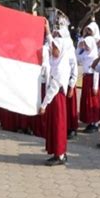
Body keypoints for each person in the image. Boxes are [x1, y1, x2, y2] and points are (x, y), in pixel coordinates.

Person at [39, 37, 70, 166]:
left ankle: (60, 154)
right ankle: (57, 152)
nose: (53, 50)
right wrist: (47, 31)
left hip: (56, 99)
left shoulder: (60, 66)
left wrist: (44, 105)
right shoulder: (56, 61)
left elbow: (53, 88)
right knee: (55, 125)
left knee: (58, 126)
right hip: (55, 100)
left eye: (56, 48)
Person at [77, 36, 100, 133]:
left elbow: (96, 72)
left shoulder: (94, 56)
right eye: (85, 44)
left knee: (93, 101)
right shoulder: (85, 54)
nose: (86, 46)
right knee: (87, 101)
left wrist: (95, 86)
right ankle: (89, 122)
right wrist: (79, 47)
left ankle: (95, 123)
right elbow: (77, 58)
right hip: (86, 78)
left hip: (92, 80)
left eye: (87, 45)